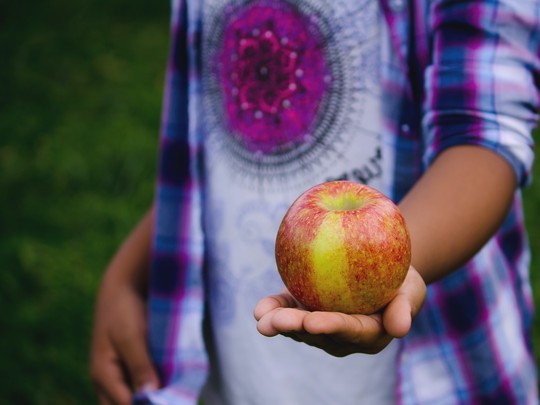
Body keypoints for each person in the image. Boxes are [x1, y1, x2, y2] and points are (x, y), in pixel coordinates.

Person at [89, 0, 540, 403]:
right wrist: (128, 272)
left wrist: (397, 265)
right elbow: (217, 149)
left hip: (429, 366)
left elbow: (484, 134)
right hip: (240, 359)